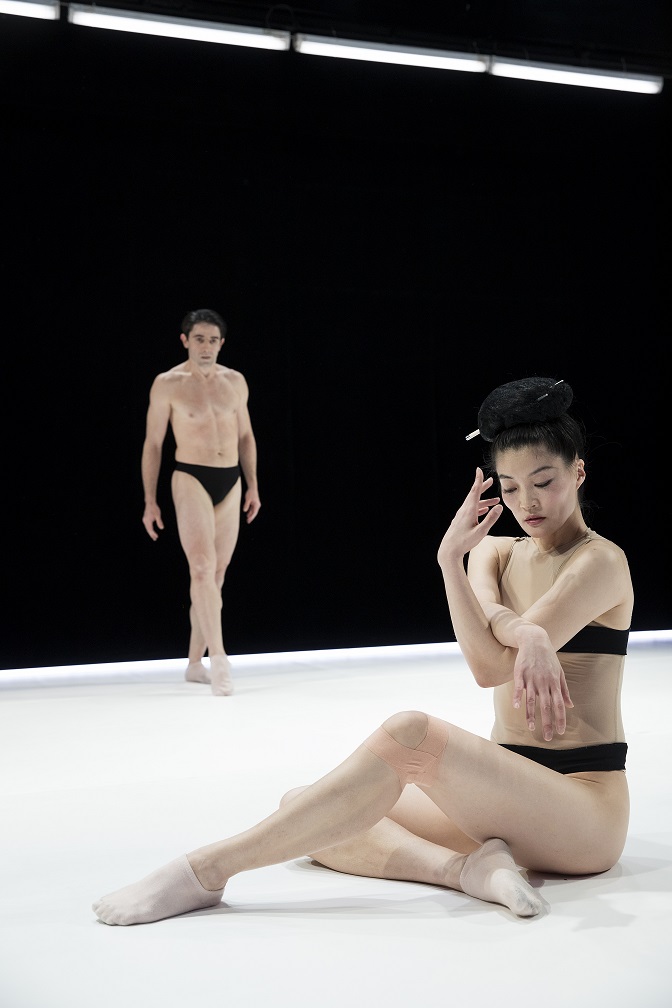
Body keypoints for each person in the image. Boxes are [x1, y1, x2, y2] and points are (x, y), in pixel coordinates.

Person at [95, 375, 632, 924]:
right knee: (305, 806)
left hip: (582, 812)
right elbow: (489, 635)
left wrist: (512, 630)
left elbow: (489, 667)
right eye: (510, 487)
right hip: (506, 791)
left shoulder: (600, 562)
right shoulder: (492, 552)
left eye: (544, 481)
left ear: (578, 471)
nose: (527, 502)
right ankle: (465, 871)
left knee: (411, 735)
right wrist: (454, 564)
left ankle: (206, 870)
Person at [141, 308, 261, 696]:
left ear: (221, 343)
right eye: (199, 340)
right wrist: (150, 500)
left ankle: (195, 663)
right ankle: (220, 659)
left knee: (216, 575)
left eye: (212, 341)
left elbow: (246, 436)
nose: (206, 347)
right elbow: (154, 443)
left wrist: (253, 485)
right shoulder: (168, 384)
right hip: (190, 476)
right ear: (185, 341)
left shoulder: (235, 381)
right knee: (201, 568)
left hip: (231, 479)